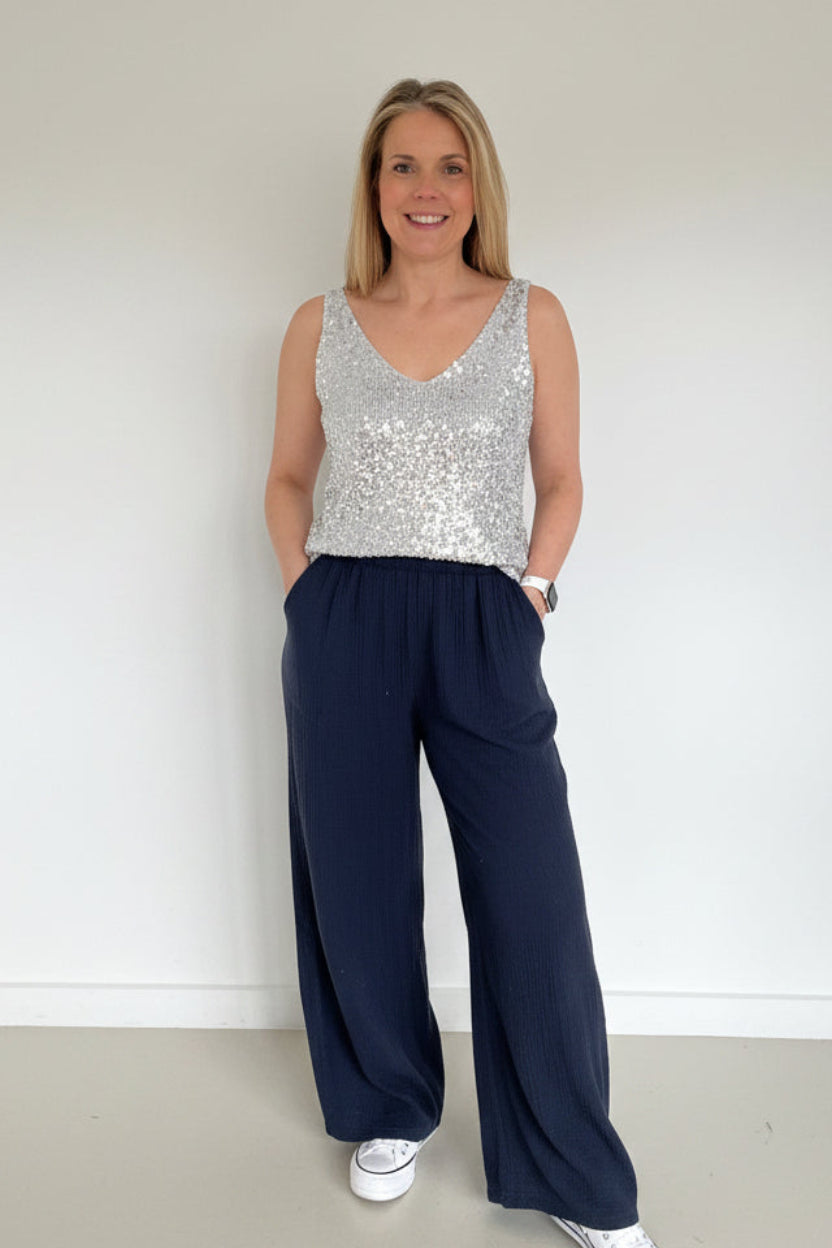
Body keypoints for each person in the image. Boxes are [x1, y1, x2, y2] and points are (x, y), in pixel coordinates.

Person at [264, 77, 661, 1248]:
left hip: (485, 616)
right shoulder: (317, 323)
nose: (426, 189)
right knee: (357, 875)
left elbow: (563, 475)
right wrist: (307, 591)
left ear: (477, 183)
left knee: (531, 891)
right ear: (373, 188)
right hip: (344, 613)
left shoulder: (531, 314)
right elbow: (287, 474)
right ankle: (389, 1102)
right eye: (403, 166)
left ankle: (574, 1172)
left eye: (449, 165)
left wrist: (530, 592)